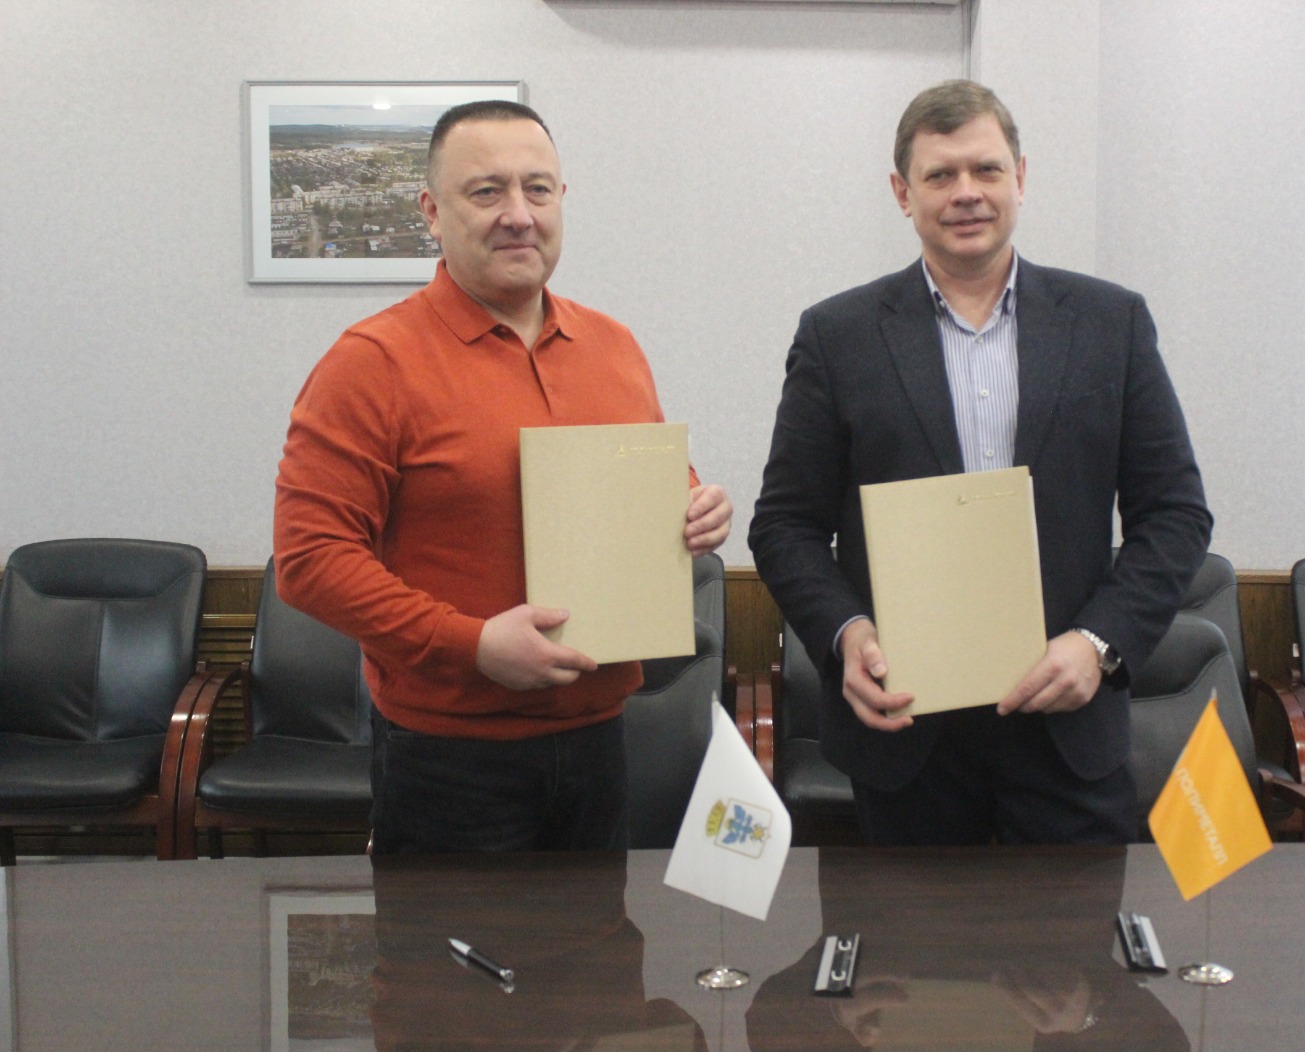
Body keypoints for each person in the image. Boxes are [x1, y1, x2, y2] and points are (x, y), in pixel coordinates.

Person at [748, 80, 1210, 845]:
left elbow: (1176, 515)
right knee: (909, 929)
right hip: (905, 740)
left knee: (1074, 930)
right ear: (903, 193)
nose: (966, 192)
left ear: (1019, 178)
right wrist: (845, 633)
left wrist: (1098, 644)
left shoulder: (1111, 323)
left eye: (986, 170)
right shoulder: (838, 336)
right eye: (940, 175)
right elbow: (785, 525)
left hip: (1068, 733)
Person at [274, 100, 731, 855]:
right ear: (431, 211)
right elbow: (309, 561)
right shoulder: (370, 363)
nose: (518, 214)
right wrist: (472, 644)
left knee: (599, 935)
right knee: (450, 942)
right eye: (487, 191)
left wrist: (693, 504)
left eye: (538, 189)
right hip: (448, 760)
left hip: (601, 739)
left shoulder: (613, 345)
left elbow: (647, 478)